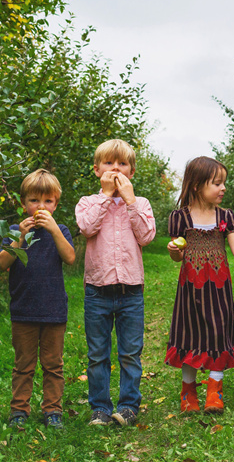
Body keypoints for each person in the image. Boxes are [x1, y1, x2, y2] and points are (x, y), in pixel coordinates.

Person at [165, 156, 234, 414]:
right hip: (190, 288)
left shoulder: (224, 216)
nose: (223, 188)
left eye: (223, 182)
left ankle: (214, 392)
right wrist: (174, 250)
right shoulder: (180, 217)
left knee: (218, 331)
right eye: (217, 183)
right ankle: (188, 393)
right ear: (196, 185)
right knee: (189, 334)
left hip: (218, 287)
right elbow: (177, 255)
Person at [75, 139, 156, 427]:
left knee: (130, 353)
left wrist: (131, 201)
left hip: (131, 291)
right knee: (98, 354)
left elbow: (146, 237)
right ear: (97, 170)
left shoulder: (141, 204)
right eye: (109, 163)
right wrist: (106, 196)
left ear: (132, 172)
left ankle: (128, 406)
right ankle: (99, 408)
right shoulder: (88, 203)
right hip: (97, 291)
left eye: (122, 164)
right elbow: (86, 227)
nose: (116, 169)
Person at [0, 169, 76, 430]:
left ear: (56, 204)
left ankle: (53, 410)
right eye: (34, 200)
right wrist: (19, 236)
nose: (41, 207)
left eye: (48, 201)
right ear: (23, 203)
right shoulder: (13, 231)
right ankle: (19, 410)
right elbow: (2, 262)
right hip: (23, 309)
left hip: (54, 310)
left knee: (53, 364)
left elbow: (70, 258)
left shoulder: (60, 230)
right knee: (24, 364)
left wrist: (55, 231)